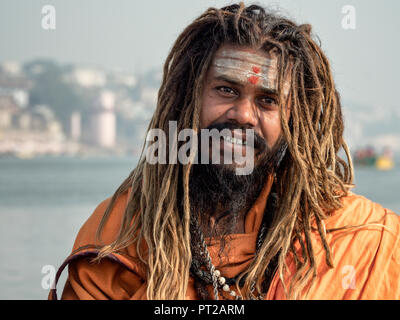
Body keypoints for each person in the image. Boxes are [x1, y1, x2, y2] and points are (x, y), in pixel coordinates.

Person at [49, 3, 400, 300]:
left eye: (267, 100)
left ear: (294, 120)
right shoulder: (119, 240)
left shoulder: (363, 238)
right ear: (189, 98)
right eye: (226, 91)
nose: (243, 116)